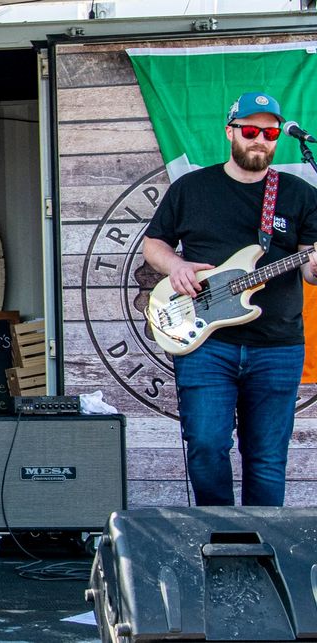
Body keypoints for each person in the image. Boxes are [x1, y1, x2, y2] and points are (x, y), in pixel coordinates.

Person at [142, 92, 317, 507]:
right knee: (205, 445)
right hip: (207, 342)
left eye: (270, 132)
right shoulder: (192, 188)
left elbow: (310, 270)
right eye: (251, 130)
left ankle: (261, 552)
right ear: (230, 131)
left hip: (277, 344)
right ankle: (219, 539)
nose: (261, 139)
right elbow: (154, 244)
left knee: (268, 457)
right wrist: (176, 266)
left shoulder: (298, 194)